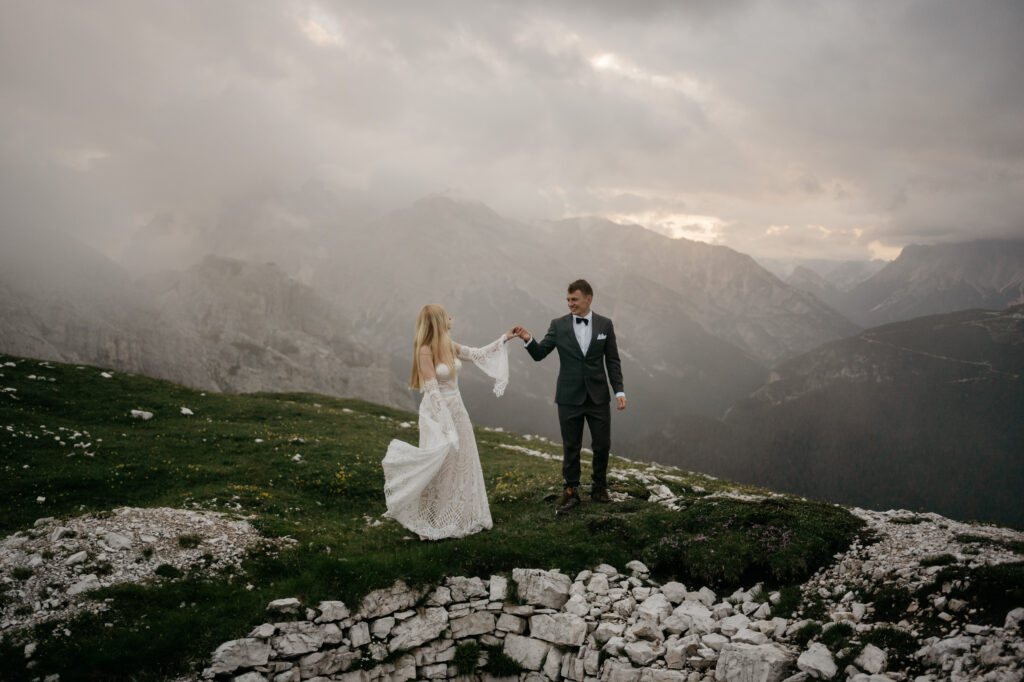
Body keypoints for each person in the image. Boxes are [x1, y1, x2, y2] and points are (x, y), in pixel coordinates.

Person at [382, 304, 516, 540]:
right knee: (439, 461)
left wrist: (504, 338)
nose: (451, 319)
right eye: (446, 316)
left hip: (457, 409)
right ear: (436, 321)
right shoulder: (424, 350)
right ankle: (429, 517)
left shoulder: (448, 345)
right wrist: (445, 420)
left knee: (460, 459)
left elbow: (477, 354)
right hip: (437, 412)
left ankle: (457, 514)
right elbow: (432, 386)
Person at [513, 279, 626, 514]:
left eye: (574, 299)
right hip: (568, 397)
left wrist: (619, 391)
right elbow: (540, 353)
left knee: (602, 445)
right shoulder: (558, 325)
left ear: (588, 298)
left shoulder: (605, 324)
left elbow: (612, 361)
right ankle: (571, 490)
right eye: (567, 300)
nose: (570, 304)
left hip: (598, 396)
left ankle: (599, 487)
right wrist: (528, 340)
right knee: (571, 446)